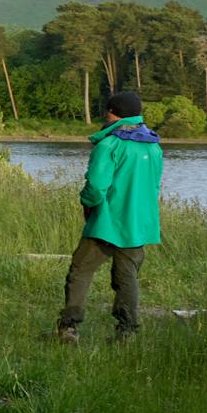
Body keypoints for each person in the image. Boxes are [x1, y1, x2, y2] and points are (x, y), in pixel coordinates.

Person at [56, 90, 164, 343]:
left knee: (80, 270)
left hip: (107, 222)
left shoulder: (109, 144)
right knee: (127, 277)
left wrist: (89, 206)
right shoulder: (154, 146)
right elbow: (154, 186)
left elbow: (95, 186)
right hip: (138, 224)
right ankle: (127, 332)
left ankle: (69, 328)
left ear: (112, 112)